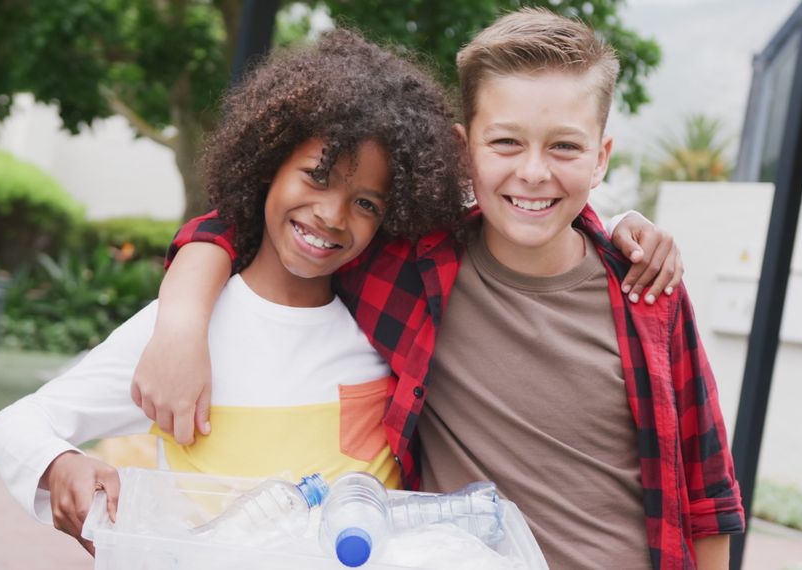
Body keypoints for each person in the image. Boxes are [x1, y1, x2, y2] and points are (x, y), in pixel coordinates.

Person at [137, 9, 745, 570]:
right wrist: (181, 326)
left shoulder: (648, 290)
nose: (533, 171)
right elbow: (251, 222)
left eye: (564, 146)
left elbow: (707, 493)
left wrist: (621, 224)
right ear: (463, 150)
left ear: (601, 157)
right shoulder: (408, 265)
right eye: (506, 142)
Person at [0, 29, 472, 555]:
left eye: (367, 204)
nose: (332, 216)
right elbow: (17, 424)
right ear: (267, 167)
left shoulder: (385, 341)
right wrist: (62, 465)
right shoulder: (180, 332)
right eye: (315, 177)